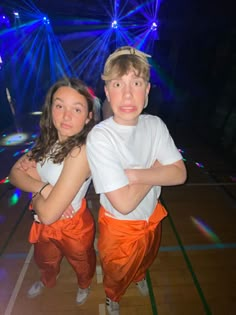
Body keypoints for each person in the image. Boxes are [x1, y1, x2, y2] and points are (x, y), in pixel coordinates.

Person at [86, 46, 187, 315]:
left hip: (152, 217)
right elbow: (123, 204)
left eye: (137, 83)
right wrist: (157, 168)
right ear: (107, 92)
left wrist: (136, 174)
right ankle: (113, 296)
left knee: (145, 258)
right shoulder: (100, 136)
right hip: (119, 227)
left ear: (147, 91)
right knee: (116, 271)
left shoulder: (155, 125)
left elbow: (180, 174)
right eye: (118, 84)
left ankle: (140, 274)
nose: (128, 93)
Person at [9, 78, 96, 304]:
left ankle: (84, 284)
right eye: (59, 106)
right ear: (51, 108)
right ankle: (48, 280)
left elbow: (49, 213)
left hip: (73, 224)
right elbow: (14, 174)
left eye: (76, 109)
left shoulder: (81, 151)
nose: (66, 116)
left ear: (88, 117)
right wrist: (44, 188)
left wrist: (36, 194)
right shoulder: (46, 141)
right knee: (45, 259)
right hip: (43, 222)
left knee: (81, 261)